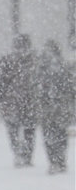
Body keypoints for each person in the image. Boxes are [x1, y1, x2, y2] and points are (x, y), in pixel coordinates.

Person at [0, 34, 40, 168]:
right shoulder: (35, 60)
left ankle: (17, 153)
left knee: (13, 131)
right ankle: (26, 156)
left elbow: (1, 82)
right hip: (30, 102)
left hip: (12, 102)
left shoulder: (7, 60)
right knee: (29, 131)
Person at [38, 40, 75, 174]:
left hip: (49, 107)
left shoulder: (43, 66)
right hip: (60, 107)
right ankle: (60, 161)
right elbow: (71, 86)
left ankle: (54, 161)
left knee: (49, 135)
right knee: (60, 134)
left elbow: (38, 86)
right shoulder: (63, 65)